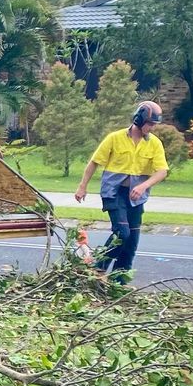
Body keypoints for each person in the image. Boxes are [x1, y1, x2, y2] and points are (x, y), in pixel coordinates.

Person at [73, 101, 170, 283]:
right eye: (150, 123)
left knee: (131, 243)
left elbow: (162, 171)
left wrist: (143, 186)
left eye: (154, 125)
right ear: (139, 119)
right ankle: (98, 268)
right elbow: (94, 162)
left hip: (136, 197)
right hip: (114, 193)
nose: (152, 128)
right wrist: (82, 186)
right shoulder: (115, 138)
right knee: (122, 233)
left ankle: (119, 283)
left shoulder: (155, 144)